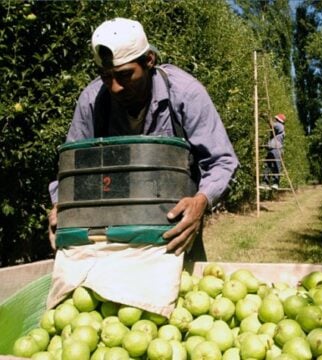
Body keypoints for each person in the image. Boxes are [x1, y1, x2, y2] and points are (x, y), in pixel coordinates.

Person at [46, 18, 238, 315]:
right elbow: (74, 168)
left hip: (173, 230)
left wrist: (201, 202)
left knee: (180, 306)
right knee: (109, 312)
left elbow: (221, 160)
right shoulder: (93, 100)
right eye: (105, 76)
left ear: (149, 60)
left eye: (124, 75)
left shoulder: (184, 94)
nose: (114, 87)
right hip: (110, 233)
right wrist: (63, 205)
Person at [261, 113, 286, 190]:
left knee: (276, 166)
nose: (275, 120)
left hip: (276, 149)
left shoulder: (280, 126)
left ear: (279, 120)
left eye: (276, 119)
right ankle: (265, 182)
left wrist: (266, 117)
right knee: (267, 166)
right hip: (271, 148)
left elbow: (271, 124)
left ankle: (276, 183)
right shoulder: (276, 128)